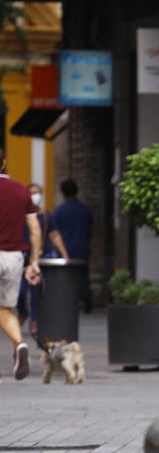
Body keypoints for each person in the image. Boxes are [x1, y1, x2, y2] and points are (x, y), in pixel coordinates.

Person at [0, 150, 43, 380]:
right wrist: (34, 262)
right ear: (4, 163)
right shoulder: (21, 191)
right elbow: (35, 229)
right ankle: (19, 344)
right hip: (14, 257)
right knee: (5, 309)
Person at [16, 183, 67, 336]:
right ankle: (23, 312)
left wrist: (65, 255)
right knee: (20, 291)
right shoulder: (20, 215)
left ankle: (35, 320)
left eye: (38, 193)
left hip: (40, 257)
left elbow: (55, 235)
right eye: (32, 193)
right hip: (22, 257)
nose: (35, 196)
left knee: (35, 290)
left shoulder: (46, 216)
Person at [53, 178, 93, 313]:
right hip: (82, 247)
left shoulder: (59, 211)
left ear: (63, 193)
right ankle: (87, 302)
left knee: (65, 279)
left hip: (65, 249)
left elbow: (55, 232)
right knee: (83, 277)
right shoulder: (85, 210)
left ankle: (68, 304)